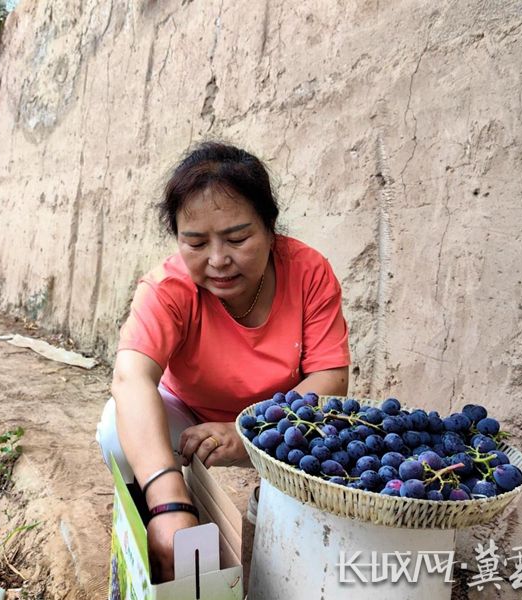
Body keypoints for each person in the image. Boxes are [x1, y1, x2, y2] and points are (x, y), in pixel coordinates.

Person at [96, 142, 351, 582]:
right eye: (195, 242)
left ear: (270, 228)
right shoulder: (168, 288)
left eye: (237, 239)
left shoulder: (308, 272)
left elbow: (330, 378)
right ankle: (163, 534)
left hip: (281, 425)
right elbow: (131, 377)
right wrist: (167, 498)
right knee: (115, 431)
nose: (217, 260)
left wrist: (249, 431)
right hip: (189, 419)